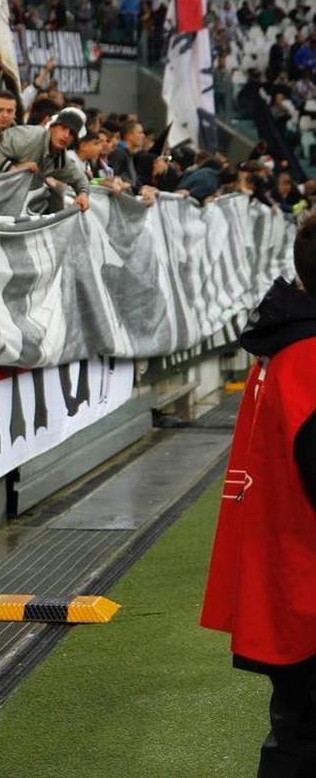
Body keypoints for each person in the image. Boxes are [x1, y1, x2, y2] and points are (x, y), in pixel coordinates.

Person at [201, 216, 316, 778]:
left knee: (295, 732)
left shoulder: (285, 341)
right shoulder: (309, 354)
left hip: (287, 580)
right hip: (305, 581)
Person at [0, 106, 92, 211]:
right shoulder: (28, 137)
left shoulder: (61, 158)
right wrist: (12, 168)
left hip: (14, 201)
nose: (66, 135)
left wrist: (83, 194)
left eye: (72, 133)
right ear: (52, 127)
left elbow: (80, 178)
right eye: (63, 128)